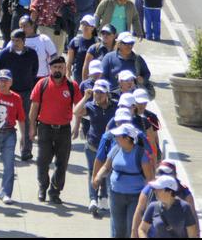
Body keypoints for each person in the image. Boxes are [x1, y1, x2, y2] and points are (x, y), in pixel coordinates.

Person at [30, 55, 80, 204]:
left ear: (65, 68)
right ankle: (42, 186)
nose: (58, 70)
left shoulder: (72, 86)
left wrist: (77, 127)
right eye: (55, 67)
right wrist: (32, 128)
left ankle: (55, 191)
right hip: (45, 128)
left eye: (61, 67)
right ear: (50, 68)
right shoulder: (42, 84)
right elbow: (34, 108)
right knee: (42, 161)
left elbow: (78, 108)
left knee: (62, 162)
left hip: (64, 129)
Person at [94, 123, 155, 237]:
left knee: (131, 228)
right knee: (118, 229)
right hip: (116, 194)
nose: (116, 138)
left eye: (118, 136)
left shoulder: (140, 154)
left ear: (127, 138)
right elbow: (106, 167)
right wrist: (98, 176)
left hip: (135, 196)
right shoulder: (116, 149)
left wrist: (146, 199)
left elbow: (149, 179)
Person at [73, 78, 116, 216]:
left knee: (106, 172)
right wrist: (86, 97)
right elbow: (76, 112)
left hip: (109, 148)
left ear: (107, 94)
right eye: (96, 92)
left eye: (101, 93)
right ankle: (93, 199)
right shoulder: (91, 106)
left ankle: (103, 197)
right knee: (93, 172)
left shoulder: (115, 106)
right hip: (92, 146)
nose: (98, 95)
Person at [0, 69, 25, 205]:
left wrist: (23, 136)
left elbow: (21, 119)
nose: (3, 82)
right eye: (0, 79)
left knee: (9, 164)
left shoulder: (16, 98)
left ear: (11, 82)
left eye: (6, 80)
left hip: (9, 133)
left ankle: (6, 193)